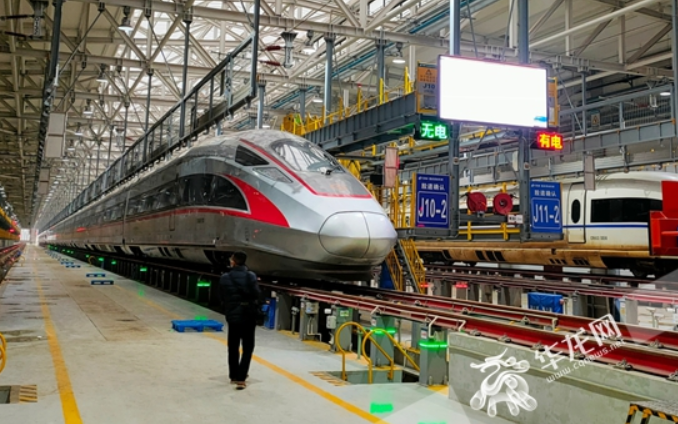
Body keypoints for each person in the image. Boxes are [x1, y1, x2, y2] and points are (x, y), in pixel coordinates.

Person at [219, 251, 261, 390]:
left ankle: (233, 375)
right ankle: (242, 378)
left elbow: (221, 296)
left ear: (233, 262)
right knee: (248, 347)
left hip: (233, 316)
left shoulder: (225, 278)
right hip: (248, 315)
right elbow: (256, 294)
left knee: (233, 346)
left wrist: (229, 308)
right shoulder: (251, 276)